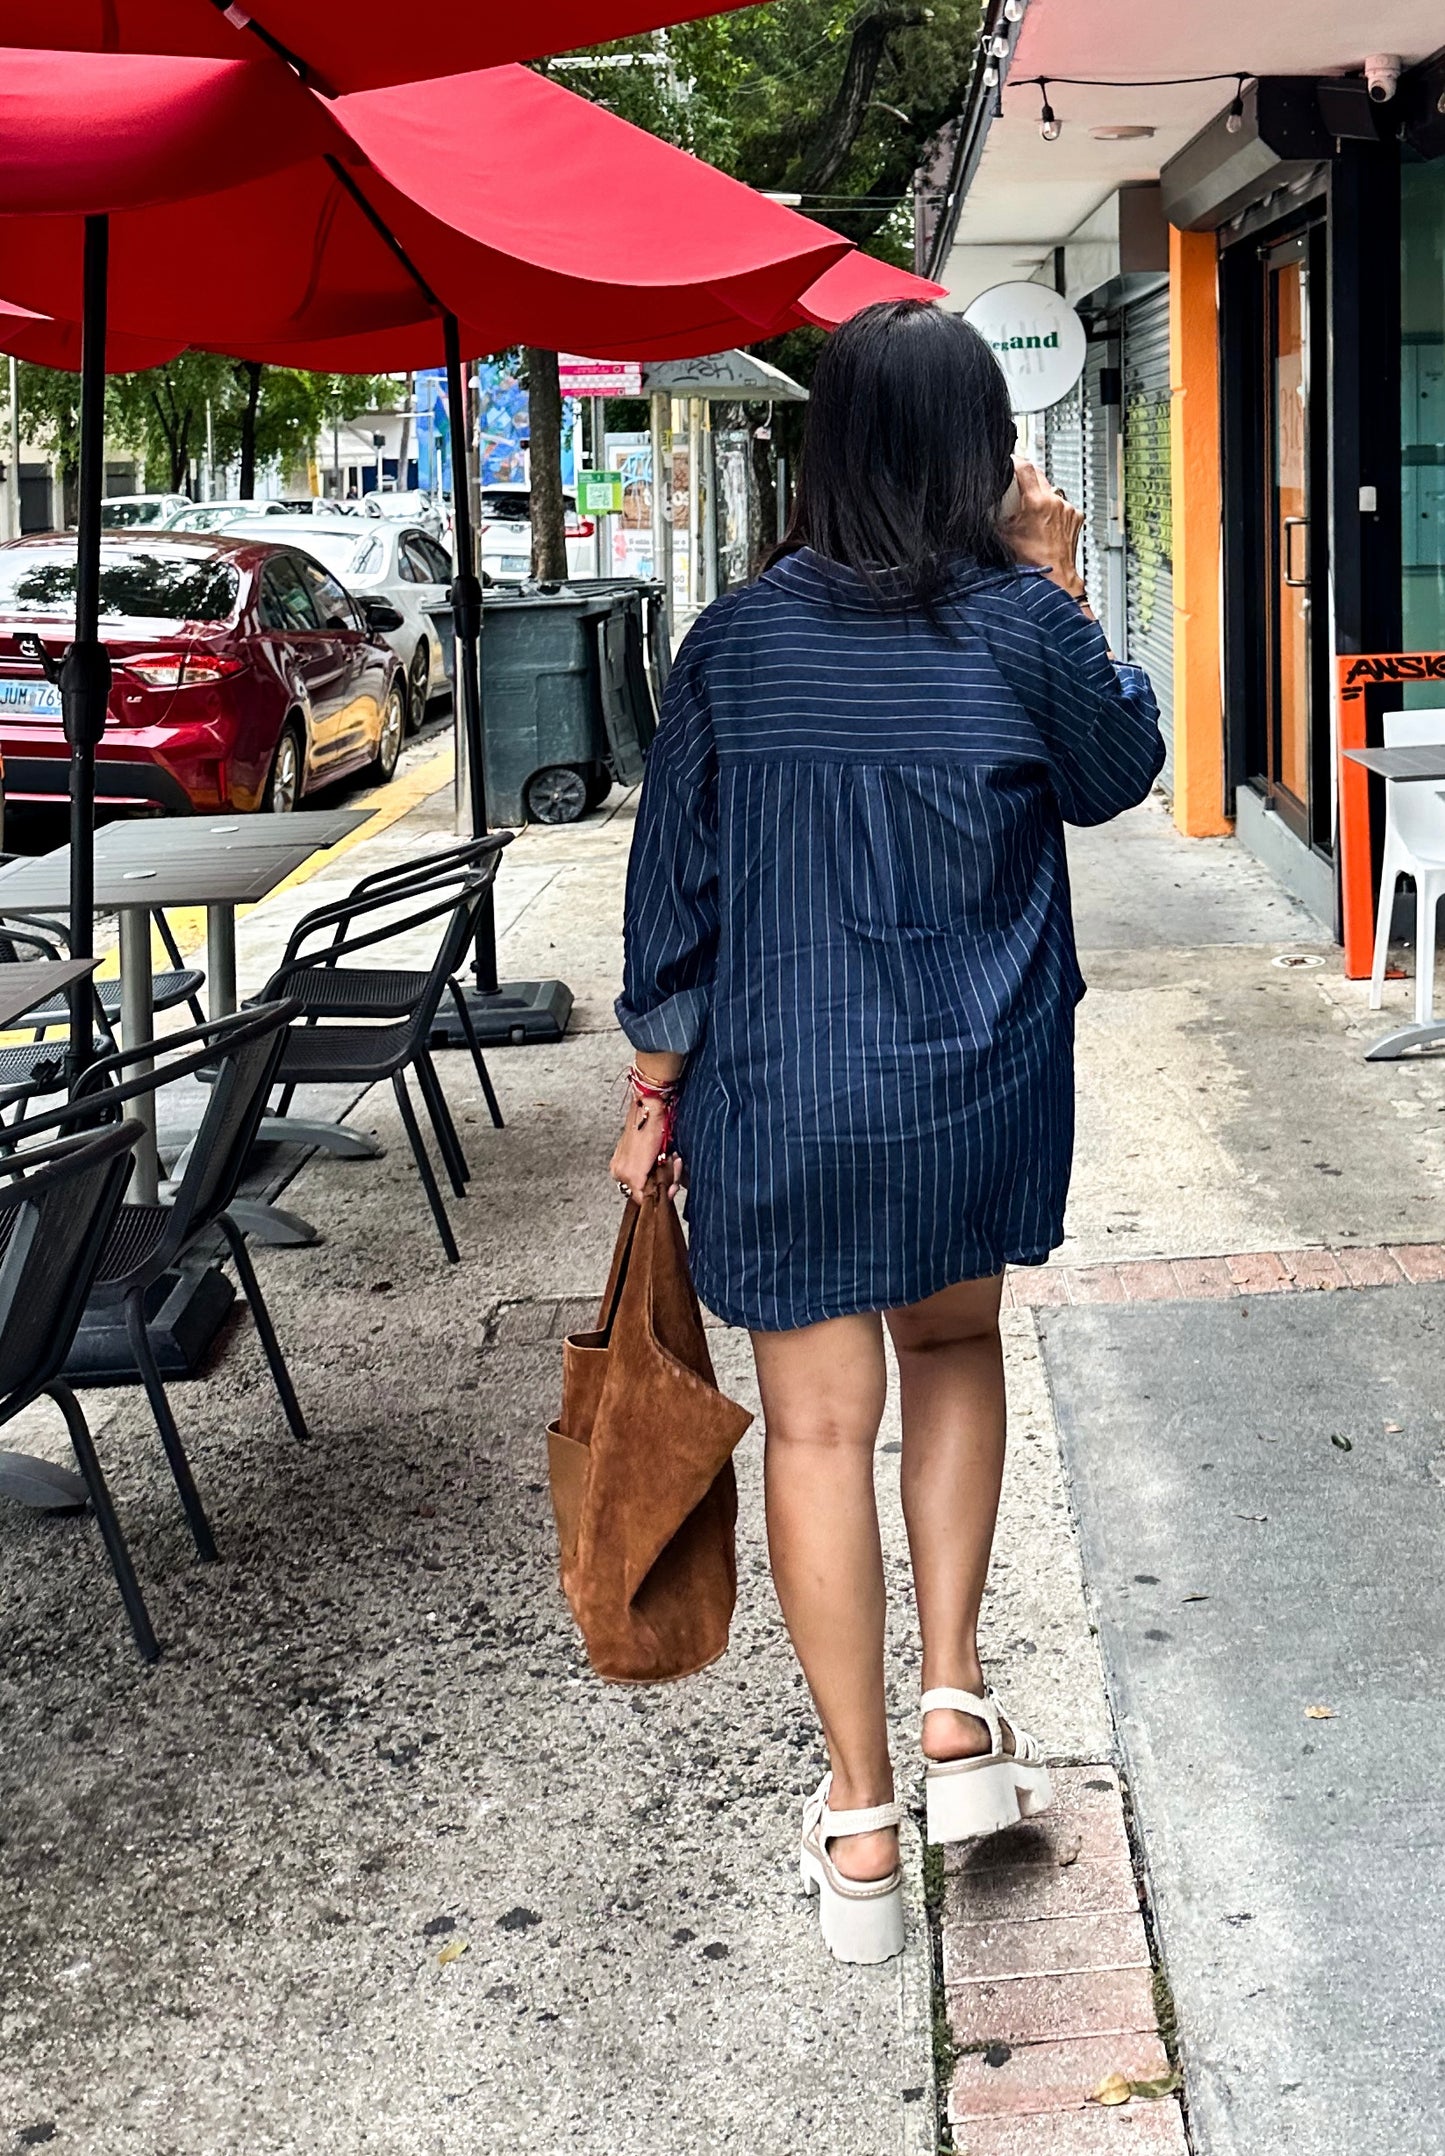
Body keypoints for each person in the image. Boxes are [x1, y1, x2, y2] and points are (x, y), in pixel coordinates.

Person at [610, 300, 1163, 1966]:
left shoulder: (731, 643)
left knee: (810, 1431)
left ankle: (858, 1830)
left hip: (781, 1086)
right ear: (977, 454)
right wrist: (1059, 571)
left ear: (823, 445)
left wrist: (656, 1088)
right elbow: (1117, 770)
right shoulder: (1019, 623)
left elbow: (672, 905)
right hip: (970, 1076)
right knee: (953, 1353)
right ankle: (950, 1706)